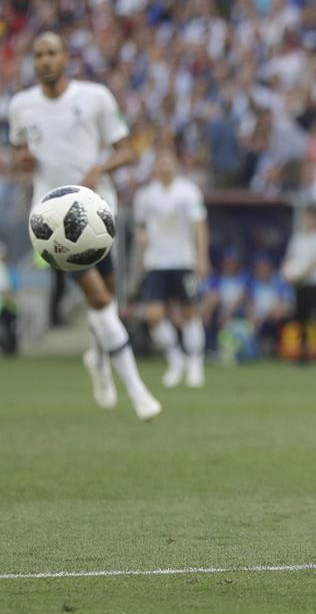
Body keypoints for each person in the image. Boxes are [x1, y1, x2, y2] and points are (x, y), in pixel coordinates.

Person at [7, 32, 161, 420]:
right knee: (98, 299)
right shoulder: (21, 105)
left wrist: (100, 168)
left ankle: (97, 357)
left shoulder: (95, 98)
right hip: (52, 220)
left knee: (105, 300)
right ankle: (138, 392)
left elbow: (126, 150)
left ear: (66, 59)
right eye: (39, 54)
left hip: (97, 211)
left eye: (52, 53)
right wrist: (23, 163)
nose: (45, 60)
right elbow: (20, 156)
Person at [134, 149, 209, 388]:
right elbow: (140, 225)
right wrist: (141, 238)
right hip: (157, 261)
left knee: (190, 313)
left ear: (176, 165)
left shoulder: (188, 191)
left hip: (183, 260)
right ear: (155, 166)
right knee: (154, 316)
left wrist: (201, 257)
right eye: (161, 161)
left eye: (169, 161)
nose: (165, 166)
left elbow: (199, 226)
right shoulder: (145, 195)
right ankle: (175, 359)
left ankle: (195, 363)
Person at [282, 206, 316, 364]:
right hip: (299, 283)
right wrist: (287, 273)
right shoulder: (298, 238)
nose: (309, 221)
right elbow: (290, 257)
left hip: (315, 282)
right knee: (301, 318)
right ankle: (303, 353)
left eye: (312, 218)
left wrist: (302, 274)